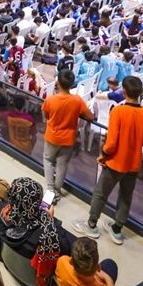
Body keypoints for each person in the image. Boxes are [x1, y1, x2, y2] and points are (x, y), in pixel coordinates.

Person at [76, 76, 143, 244]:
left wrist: (103, 154)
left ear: (123, 91)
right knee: (126, 196)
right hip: (134, 164)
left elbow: (110, 144)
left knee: (100, 193)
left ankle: (91, 225)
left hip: (115, 162)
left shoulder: (118, 111)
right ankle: (117, 229)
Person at [42, 70, 92, 198]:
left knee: (48, 160)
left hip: (52, 137)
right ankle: (57, 191)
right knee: (62, 164)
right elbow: (90, 116)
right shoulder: (77, 100)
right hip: (68, 139)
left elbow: (46, 115)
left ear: (57, 83)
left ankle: (50, 190)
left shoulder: (50, 99)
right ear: (72, 84)